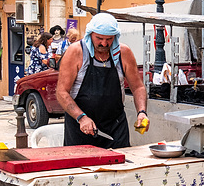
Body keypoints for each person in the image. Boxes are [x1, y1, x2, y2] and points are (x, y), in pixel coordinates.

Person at [56, 13, 148, 149]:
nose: (104, 44)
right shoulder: (75, 52)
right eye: (99, 38)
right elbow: (61, 92)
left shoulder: (124, 53)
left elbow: (138, 87)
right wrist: (81, 117)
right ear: (90, 34)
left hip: (115, 128)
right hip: (81, 128)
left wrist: (142, 112)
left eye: (109, 39)